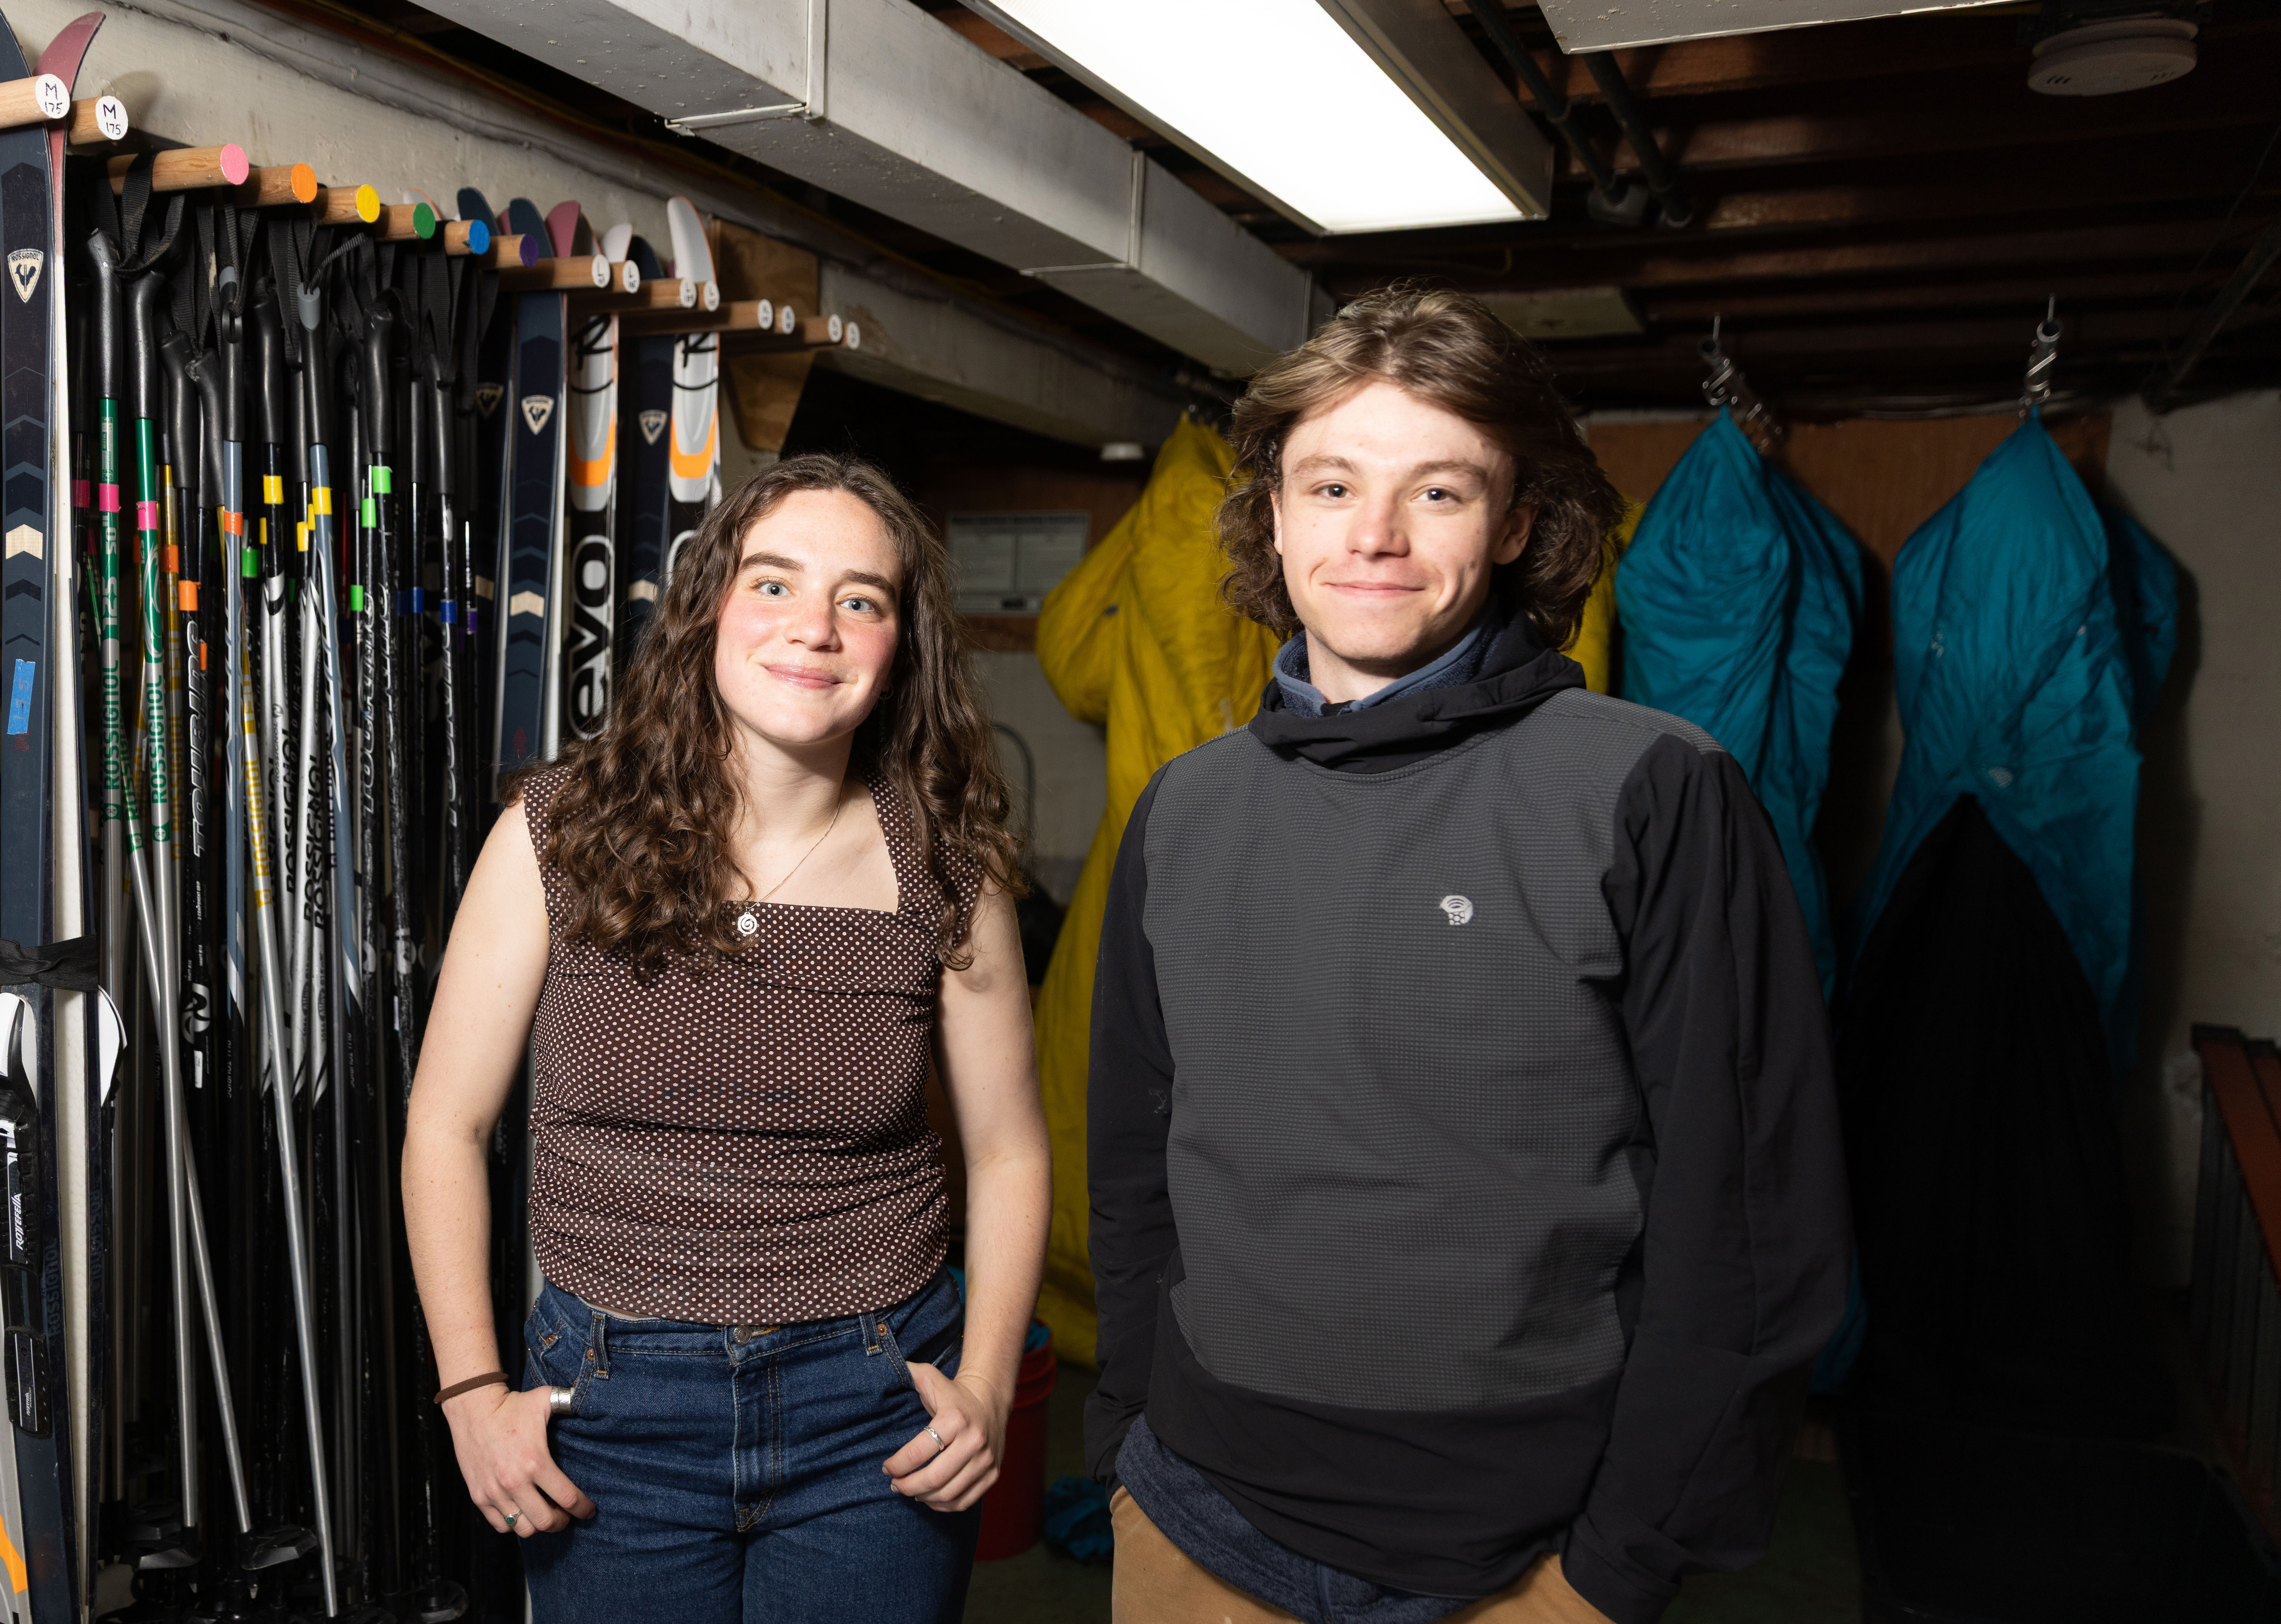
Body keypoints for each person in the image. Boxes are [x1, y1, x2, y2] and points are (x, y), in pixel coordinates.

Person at [1086, 284, 1849, 1624]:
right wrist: (1125, 1460)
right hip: (1197, 1521)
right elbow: (1136, 1162)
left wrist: (1612, 1569)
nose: (1372, 535)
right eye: (1330, 486)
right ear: (1272, 512)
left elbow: (1746, 1223)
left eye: (1437, 493)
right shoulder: (1185, 810)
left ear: (1515, 525)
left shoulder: (1653, 790)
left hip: (1518, 1555)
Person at [402, 453, 1051, 1624]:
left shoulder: (948, 865)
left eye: (861, 599)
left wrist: (990, 1386)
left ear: (902, 643)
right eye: (774, 585)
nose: (816, 627)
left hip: (874, 1409)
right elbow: (446, 1126)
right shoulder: (557, 833)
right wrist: (469, 1392)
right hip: (607, 1406)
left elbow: (1009, 1148)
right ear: (708, 611)